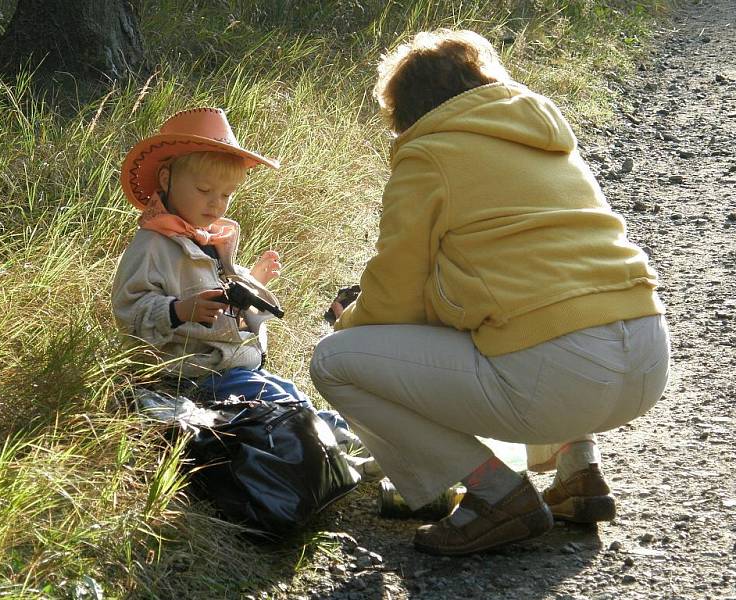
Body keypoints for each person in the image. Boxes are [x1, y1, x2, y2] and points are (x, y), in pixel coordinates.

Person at [310, 29, 671, 555]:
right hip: (647, 356)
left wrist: (349, 320)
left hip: (564, 373)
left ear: (406, 111)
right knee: (534, 314)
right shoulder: (540, 137)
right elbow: (519, 279)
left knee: (334, 362)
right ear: (484, 84)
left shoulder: (428, 153)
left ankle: (497, 495)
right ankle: (579, 473)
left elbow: (395, 293)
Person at [112, 107, 310, 407]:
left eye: (227, 194)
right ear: (166, 180)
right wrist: (178, 310)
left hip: (232, 364)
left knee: (294, 396)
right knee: (283, 407)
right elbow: (129, 311)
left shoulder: (210, 238)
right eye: (204, 189)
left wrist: (251, 281)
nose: (216, 203)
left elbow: (217, 287)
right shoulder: (153, 244)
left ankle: (341, 444)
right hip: (191, 372)